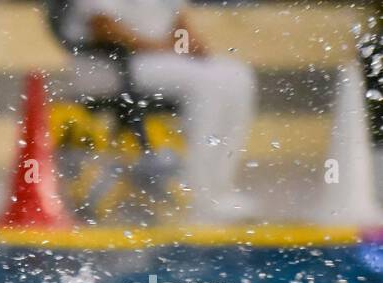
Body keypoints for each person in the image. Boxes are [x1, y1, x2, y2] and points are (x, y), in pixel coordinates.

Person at [58, 0, 257, 223]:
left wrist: (193, 46)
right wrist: (159, 47)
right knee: (208, 84)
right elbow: (103, 26)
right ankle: (198, 192)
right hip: (111, 64)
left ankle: (219, 188)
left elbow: (177, 19)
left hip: (158, 59)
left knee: (237, 75)